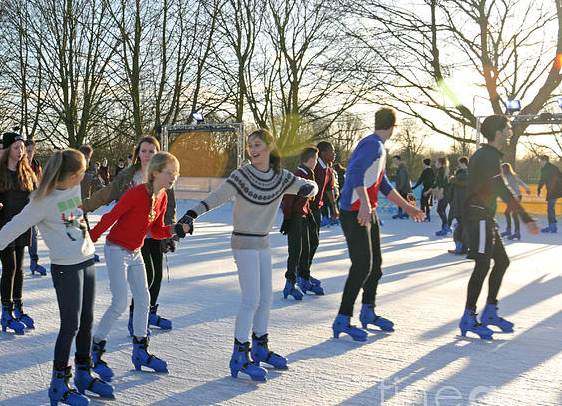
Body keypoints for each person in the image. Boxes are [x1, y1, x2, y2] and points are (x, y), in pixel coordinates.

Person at [0, 149, 112, 406]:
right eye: (82, 171)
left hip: (86, 260)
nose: (85, 175)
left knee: (86, 320)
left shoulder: (74, 189)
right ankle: (59, 384)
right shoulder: (42, 200)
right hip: (65, 268)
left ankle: (83, 374)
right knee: (71, 324)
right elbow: (14, 226)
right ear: (71, 176)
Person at [180, 130, 316, 381]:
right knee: (251, 299)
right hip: (243, 243)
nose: (253, 150)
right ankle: (239, 356)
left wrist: (309, 188)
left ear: (269, 148)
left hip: (263, 244)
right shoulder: (241, 175)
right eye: (250, 146)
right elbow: (217, 196)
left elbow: (308, 186)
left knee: (266, 300)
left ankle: (260, 347)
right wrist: (191, 213)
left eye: (258, 145)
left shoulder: (281, 177)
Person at [89, 152, 189, 378]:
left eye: (176, 174)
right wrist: (89, 240)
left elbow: (155, 230)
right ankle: (94, 352)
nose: (174, 177)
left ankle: (141, 351)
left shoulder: (162, 196)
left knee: (144, 299)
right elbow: (110, 217)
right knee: (120, 302)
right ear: (155, 173)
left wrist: (175, 230)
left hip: (135, 252)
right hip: (116, 249)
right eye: (169, 173)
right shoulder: (135, 194)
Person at [332, 108, 425, 342]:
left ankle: (368, 311)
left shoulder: (379, 148)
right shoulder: (372, 145)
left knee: (376, 266)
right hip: (354, 211)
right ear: (394, 126)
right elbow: (354, 174)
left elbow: (382, 184)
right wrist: (363, 203)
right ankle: (343, 318)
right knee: (362, 265)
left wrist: (408, 207)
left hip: (367, 210)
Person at [84, 136, 178, 332]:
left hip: (155, 232)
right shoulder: (129, 176)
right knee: (147, 277)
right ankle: (137, 318)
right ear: (137, 154)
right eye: (143, 151)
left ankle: (148, 313)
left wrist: (172, 233)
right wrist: (82, 206)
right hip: (134, 236)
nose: (147, 155)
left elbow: (169, 208)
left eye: (151, 151)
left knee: (157, 277)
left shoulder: (165, 175)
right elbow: (106, 195)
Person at [459, 115, 539, 339]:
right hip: (477, 216)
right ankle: (468, 316)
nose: (511, 131)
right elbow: (502, 190)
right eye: (508, 128)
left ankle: (490, 312)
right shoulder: (486, 156)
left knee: (502, 261)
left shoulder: (490, 155)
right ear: (498, 132)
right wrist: (526, 218)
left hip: (484, 216)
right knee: (482, 265)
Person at [0, 132, 39, 334]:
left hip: (22, 226)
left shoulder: (26, 172)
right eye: (16, 147)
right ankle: (6, 312)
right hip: (3, 226)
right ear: (8, 149)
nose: (21, 151)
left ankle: (18, 308)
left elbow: (36, 195)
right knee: (10, 267)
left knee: (19, 269)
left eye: (22, 148)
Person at [281, 147, 323, 299]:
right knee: (295, 252)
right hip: (294, 219)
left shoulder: (307, 174)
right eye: (316, 160)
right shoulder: (299, 176)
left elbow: (304, 202)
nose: (317, 162)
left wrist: (309, 215)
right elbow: (288, 200)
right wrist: (287, 219)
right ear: (311, 160)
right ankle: (289, 284)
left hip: (303, 217)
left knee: (306, 248)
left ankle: (304, 280)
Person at [25, 138, 47, 276]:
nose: (28, 154)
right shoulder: (18, 166)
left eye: (31, 151)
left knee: (34, 233)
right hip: (22, 204)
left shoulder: (37, 166)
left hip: (35, 204)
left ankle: (34, 261)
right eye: (26, 151)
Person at [499, 163, 530, 241]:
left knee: (512, 213)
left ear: (505, 169)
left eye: (502, 169)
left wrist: (527, 188)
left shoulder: (510, 176)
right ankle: (514, 231)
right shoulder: (506, 176)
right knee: (512, 213)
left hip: (517, 197)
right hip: (513, 197)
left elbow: (521, 182)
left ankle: (512, 231)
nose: (501, 171)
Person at [447, 157, 470, 255]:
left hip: (457, 205)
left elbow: (450, 194)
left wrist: (451, 203)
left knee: (460, 226)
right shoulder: (471, 177)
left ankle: (460, 246)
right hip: (467, 205)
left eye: (459, 163)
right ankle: (463, 247)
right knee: (464, 226)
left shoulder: (456, 179)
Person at [537, 154, 561, 233]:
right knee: (551, 208)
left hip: (553, 191)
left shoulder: (545, 169)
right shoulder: (554, 168)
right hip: (556, 190)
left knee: (550, 209)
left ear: (544, 161)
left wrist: (539, 188)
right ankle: (552, 225)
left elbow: (542, 180)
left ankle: (552, 226)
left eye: (541, 160)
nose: (540, 162)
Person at [433, 157, 451, 235]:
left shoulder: (442, 171)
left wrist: (441, 192)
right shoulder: (442, 170)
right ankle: (445, 227)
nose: (435, 164)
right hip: (446, 193)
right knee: (442, 210)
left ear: (440, 163)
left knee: (440, 210)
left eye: (436, 162)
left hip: (445, 193)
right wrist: (429, 190)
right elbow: (438, 183)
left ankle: (446, 226)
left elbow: (443, 182)